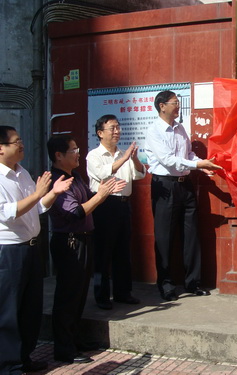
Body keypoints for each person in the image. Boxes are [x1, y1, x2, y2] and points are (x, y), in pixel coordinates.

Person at [47, 135, 126, 363]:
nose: (78, 153)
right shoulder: (57, 181)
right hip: (69, 242)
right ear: (59, 155)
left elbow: (89, 199)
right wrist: (100, 196)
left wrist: (102, 191)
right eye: (73, 150)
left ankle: (75, 340)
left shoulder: (76, 176)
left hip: (83, 239)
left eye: (78, 148)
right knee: (67, 297)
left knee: (80, 295)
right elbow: (76, 213)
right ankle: (64, 349)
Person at [0, 126, 72, 374]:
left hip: (31, 249)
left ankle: (24, 358)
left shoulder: (22, 173)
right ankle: (8, 366)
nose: (21, 144)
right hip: (8, 252)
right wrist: (40, 193)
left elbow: (38, 207)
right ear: (1, 148)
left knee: (30, 309)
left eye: (21, 139)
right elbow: (8, 212)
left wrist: (52, 193)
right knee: (8, 312)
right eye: (15, 141)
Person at [144, 90, 222, 301]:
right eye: (174, 103)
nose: (178, 106)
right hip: (164, 187)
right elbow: (168, 160)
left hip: (184, 186)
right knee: (164, 238)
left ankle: (192, 282)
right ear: (162, 106)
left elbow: (186, 154)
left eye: (178, 103)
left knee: (191, 235)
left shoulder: (180, 128)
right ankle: (166, 284)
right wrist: (197, 164)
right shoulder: (154, 131)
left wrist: (200, 166)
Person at [87, 114, 146, 310]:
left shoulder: (124, 154)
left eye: (118, 127)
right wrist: (125, 158)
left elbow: (139, 174)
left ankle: (123, 292)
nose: (116, 131)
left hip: (123, 204)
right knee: (103, 252)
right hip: (104, 205)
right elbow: (104, 173)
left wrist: (134, 158)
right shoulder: (93, 156)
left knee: (123, 251)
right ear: (100, 133)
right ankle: (102, 296)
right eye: (112, 128)